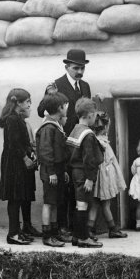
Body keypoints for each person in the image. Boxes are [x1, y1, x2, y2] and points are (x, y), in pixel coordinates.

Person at [36, 48, 92, 238]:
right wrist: (50, 94)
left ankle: (76, 227)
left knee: (76, 185)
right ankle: (61, 226)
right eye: (76, 68)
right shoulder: (55, 85)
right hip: (61, 142)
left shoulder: (85, 86)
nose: (80, 72)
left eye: (83, 68)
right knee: (61, 188)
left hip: (79, 143)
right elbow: (41, 111)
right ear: (67, 66)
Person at [0, 88, 36, 245]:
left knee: (19, 197)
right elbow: (14, 143)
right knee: (14, 198)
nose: (29, 105)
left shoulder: (18, 118)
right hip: (13, 164)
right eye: (27, 101)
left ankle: (18, 231)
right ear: (17, 103)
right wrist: (25, 157)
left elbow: (23, 141)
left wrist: (30, 153)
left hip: (18, 162)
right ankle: (13, 234)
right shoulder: (12, 119)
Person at [65, 97, 104, 248]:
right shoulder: (88, 134)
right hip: (84, 173)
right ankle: (83, 238)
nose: (95, 118)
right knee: (83, 205)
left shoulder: (75, 129)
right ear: (89, 115)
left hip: (75, 172)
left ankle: (76, 236)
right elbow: (89, 159)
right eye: (95, 115)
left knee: (78, 204)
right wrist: (90, 178)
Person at [36, 92, 72, 247]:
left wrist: (62, 170)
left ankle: (55, 232)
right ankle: (47, 235)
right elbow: (45, 151)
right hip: (50, 171)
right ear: (59, 108)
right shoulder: (48, 127)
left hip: (57, 170)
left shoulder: (56, 125)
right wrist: (51, 171)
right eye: (66, 106)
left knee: (56, 202)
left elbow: (59, 151)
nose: (67, 109)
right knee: (49, 202)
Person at [89, 112, 128, 239]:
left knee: (95, 204)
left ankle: (89, 230)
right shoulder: (102, 143)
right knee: (106, 204)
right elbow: (104, 161)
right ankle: (112, 229)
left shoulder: (95, 140)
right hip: (104, 177)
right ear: (106, 127)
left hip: (97, 176)